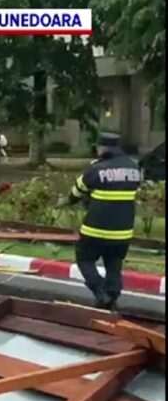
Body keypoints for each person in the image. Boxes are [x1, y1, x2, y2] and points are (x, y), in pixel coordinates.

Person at [62, 132, 141, 311]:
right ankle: (111, 297)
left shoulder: (96, 169)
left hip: (95, 230)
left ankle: (100, 291)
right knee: (114, 263)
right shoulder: (134, 168)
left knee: (84, 259)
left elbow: (76, 192)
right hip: (123, 232)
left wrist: (71, 201)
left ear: (102, 148)